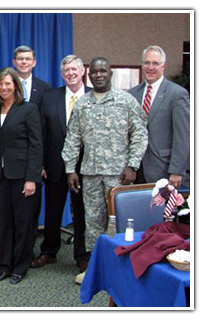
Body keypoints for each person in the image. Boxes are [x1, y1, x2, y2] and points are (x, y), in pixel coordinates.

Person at [62, 57, 148, 284]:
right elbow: (73, 139)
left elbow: (140, 134)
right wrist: (71, 169)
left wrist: (132, 165)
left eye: (103, 70)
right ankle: (94, 268)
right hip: (89, 174)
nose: (99, 74)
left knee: (119, 221)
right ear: (89, 75)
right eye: (95, 71)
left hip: (119, 175)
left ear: (110, 73)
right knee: (93, 222)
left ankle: (120, 269)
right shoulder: (82, 104)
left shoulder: (125, 100)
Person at [32, 55, 90, 273]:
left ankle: (82, 255)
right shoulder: (49, 97)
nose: (71, 73)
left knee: (82, 212)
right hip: (55, 165)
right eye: (66, 70)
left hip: (85, 167)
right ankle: (49, 250)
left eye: (74, 69)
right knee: (53, 211)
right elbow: (41, 134)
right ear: (62, 73)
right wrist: (41, 164)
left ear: (82, 71)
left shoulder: (94, 96)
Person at [0, 67, 43, 285]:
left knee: (23, 222)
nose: (4, 87)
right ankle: (4, 264)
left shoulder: (28, 109)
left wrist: (32, 178)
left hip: (22, 176)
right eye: (0, 84)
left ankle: (20, 265)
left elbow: (36, 145)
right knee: (3, 222)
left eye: (8, 84)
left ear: (16, 86)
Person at [128, 45, 190, 188]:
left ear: (163, 66)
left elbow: (182, 136)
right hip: (135, 169)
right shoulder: (132, 94)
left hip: (163, 169)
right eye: (146, 63)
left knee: (160, 211)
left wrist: (176, 171)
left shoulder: (177, 94)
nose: (150, 67)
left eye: (155, 63)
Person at [12, 45, 51, 259]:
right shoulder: (5, 86)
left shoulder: (45, 89)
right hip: (10, 161)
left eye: (28, 59)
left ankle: (27, 253)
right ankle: (8, 252)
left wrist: (40, 164)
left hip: (35, 158)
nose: (24, 62)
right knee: (9, 212)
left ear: (34, 62)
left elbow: (46, 130)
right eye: (20, 59)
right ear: (14, 62)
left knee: (30, 211)